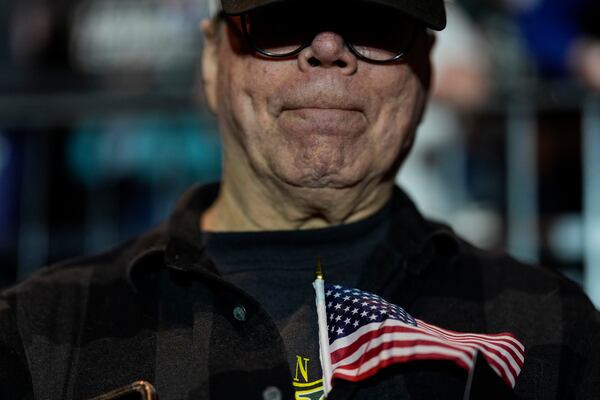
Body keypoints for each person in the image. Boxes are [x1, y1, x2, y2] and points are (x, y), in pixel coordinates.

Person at [1, 0, 599, 399]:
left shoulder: (552, 329)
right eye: (282, 18)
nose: (329, 47)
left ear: (425, 71)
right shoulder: (36, 335)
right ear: (211, 61)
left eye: (377, 22)